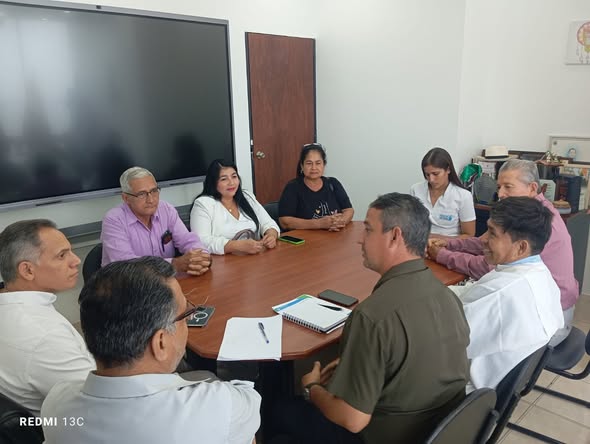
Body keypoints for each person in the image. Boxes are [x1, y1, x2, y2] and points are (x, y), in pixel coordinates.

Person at [272, 193, 470, 444]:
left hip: (385, 435)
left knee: (279, 411)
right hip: (440, 429)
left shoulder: (371, 316)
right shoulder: (447, 295)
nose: (360, 240)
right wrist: (359, 359)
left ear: (395, 236)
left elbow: (352, 419)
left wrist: (311, 388)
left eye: (368, 230)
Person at [41, 256, 261, 444]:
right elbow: (247, 413)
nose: (188, 322)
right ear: (160, 343)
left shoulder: (56, 404)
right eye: (185, 315)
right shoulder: (218, 406)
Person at [427, 159, 578, 345]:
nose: (500, 194)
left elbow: (486, 266)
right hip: (532, 306)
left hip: (547, 317)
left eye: (508, 187)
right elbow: (486, 241)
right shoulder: (527, 211)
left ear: (532, 188)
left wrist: (443, 255)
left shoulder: (537, 223)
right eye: (499, 187)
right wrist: (450, 244)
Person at [451, 197, 564, 391]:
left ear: (521, 247)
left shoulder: (502, 292)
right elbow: (472, 292)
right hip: (495, 382)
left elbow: (447, 340)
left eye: (492, 233)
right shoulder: (539, 273)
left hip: (467, 390)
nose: (483, 239)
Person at [0, 220, 94, 415]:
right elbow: (101, 404)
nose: (76, 260)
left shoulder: (11, 305)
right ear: (27, 270)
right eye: (62, 255)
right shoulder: (46, 335)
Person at [101, 166, 211, 276]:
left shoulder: (166, 209)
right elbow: (127, 266)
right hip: (127, 283)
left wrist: (201, 256)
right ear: (126, 198)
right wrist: (174, 264)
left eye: (154, 191)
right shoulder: (113, 220)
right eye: (142, 194)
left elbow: (187, 240)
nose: (151, 200)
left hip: (165, 280)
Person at [190, 159, 280, 255]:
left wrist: (271, 235)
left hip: (255, 257)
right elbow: (201, 241)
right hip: (223, 261)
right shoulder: (203, 204)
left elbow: (268, 223)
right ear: (213, 182)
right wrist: (236, 246)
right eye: (224, 179)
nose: (231, 183)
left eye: (234, 176)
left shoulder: (247, 197)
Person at [278, 143, 354, 231]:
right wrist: (319, 224)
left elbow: (349, 210)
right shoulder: (293, 187)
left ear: (324, 165)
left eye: (318, 163)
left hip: (335, 235)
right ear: (302, 166)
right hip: (306, 238)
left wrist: (339, 222)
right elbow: (284, 221)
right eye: (309, 163)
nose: (314, 168)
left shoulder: (333, 183)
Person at [410, 147, 475, 237]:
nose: (431, 179)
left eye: (435, 174)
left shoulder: (463, 196)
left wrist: (441, 240)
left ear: (448, 170)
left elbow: (469, 235)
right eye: (427, 175)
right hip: (420, 243)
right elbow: (412, 225)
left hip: (450, 244)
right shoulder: (416, 189)